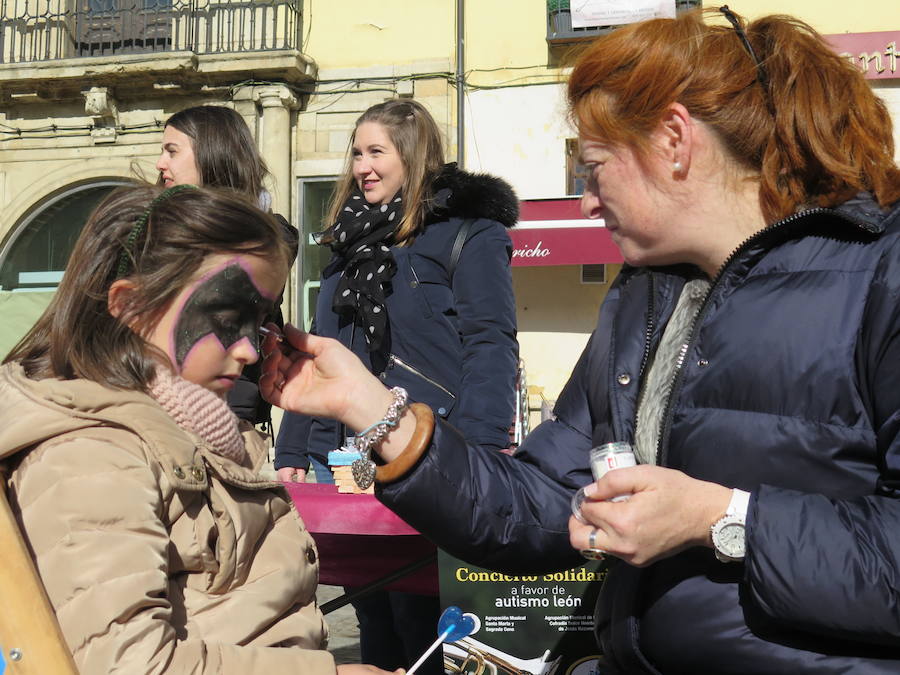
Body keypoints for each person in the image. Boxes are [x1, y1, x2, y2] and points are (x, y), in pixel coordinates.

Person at [260, 7, 900, 674]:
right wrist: (373, 410)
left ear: (674, 140)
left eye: (593, 166)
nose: (588, 201)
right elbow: (535, 506)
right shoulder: (646, 295)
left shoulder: (881, 268)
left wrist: (723, 517)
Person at [0, 184, 396, 675]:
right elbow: (128, 666)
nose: (251, 350)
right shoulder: (88, 456)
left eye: (260, 325)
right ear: (130, 306)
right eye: (229, 318)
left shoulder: (203, 431)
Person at [274, 98, 520, 673]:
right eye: (355, 152)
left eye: (375, 151)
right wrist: (291, 450)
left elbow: (491, 343)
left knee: (423, 613)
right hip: (344, 457)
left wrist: (482, 449)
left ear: (413, 155)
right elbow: (317, 356)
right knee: (370, 607)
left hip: (428, 449)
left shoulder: (469, 235)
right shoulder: (345, 252)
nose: (361, 165)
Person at [157, 104, 299, 430]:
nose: (161, 163)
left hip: (225, 405)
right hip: (155, 399)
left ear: (212, 154)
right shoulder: (154, 226)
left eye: (172, 151)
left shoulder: (268, 237)